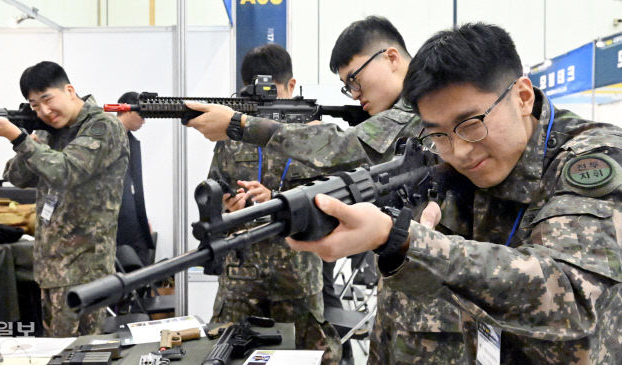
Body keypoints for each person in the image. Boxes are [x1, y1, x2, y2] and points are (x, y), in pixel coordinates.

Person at [286, 23, 622, 364]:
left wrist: (404, 240)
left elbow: (573, 296)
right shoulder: (440, 164)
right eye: (440, 134)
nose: (459, 151)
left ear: (522, 97)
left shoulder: (592, 157)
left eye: (472, 124)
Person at [185, 17, 451, 364]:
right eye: (347, 86)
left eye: (355, 79)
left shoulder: (418, 111)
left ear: (390, 58)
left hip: (315, 276)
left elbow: (342, 147)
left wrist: (240, 124)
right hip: (247, 271)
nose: (355, 94)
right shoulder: (403, 118)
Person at [0, 61, 129, 337]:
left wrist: (16, 136)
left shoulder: (102, 126)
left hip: (83, 269)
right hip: (51, 268)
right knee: (56, 350)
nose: (44, 111)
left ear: (69, 90)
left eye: (47, 99)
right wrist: (28, 137)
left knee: (76, 353)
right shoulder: (48, 129)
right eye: (34, 106)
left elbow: (66, 170)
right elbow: (17, 177)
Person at [208, 43, 341, 365]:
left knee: (309, 357)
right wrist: (227, 203)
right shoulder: (232, 136)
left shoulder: (316, 137)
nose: (262, 105)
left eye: (271, 93)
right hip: (240, 280)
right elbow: (213, 186)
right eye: (254, 97)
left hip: (297, 278)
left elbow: (336, 201)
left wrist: (278, 201)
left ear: (292, 86)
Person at [114, 91, 155, 269]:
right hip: (115, 217)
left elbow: (134, 187)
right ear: (127, 109)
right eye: (142, 115)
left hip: (130, 215)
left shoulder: (130, 140)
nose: (144, 121)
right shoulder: (108, 137)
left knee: (140, 264)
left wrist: (141, 218)